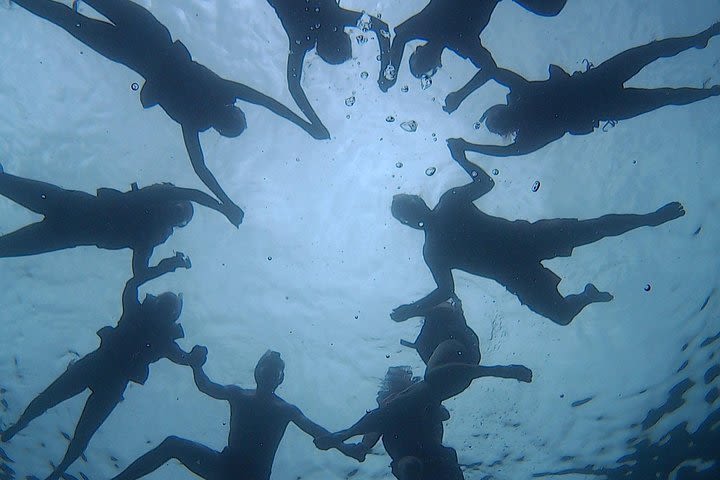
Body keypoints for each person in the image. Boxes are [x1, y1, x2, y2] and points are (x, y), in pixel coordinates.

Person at [11, 0, 324, 221]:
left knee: (68, 20)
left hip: (144, 42)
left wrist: (307, 124)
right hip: (142, 44)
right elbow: (267, 105)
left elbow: (265, 106)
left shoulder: (212, 103)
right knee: (69, 20)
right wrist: (225, 203)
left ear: (230, 115)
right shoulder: (208, 106)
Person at [390, 142, 686, 325]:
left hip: (525, 239)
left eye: (409, 207)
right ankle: (587, 296)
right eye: (407, 213)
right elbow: (446, 291)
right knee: (562, 315)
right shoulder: (434, 249)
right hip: (514, 272)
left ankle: (651, 217)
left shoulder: (450, 204)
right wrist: (412, 309)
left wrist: (462, 159)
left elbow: (485, 183)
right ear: (409, 221)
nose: (412, 212)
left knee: (594, 228)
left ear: (418, 202)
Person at [0, 253, 203, 480]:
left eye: (168, 309)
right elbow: (186, 358)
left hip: (101, 370)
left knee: (73, 424)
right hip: (107, 375)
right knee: (60, 410)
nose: (163, 312)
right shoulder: (154, 331)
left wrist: (196, 358)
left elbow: (133, 284)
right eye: (165, 307)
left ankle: (46, 460)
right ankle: (30, 442)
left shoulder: (152, 329)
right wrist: (196, 358)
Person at [451, 22, 720, 157]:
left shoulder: (528, 117)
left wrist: (468, 141)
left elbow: (494, 72)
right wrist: (467, 137)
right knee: (662, 88)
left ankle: (700, 43)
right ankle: (706, 77)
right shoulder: (530, 129)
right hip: (601, 96)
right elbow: (508, 151)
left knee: (657, 70)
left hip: (599, 90)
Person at [110, 350, 365, 480]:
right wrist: (196, 365)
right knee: (172, 444)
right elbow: (206, 386)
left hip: (247, 476)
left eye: (276, 369)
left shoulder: (284, 409)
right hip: (225, 466)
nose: (270, 372)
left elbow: (315, 430)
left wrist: (345, 447)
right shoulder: (238, 394)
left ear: (281, 378)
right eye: (267, 366)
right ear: (257, 370)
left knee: (172, 445)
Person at [316, 340, 532, 479]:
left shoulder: (421, 392)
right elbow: (375, 426)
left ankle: (349, 436)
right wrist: (361, 445)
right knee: (410, 464)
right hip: (409, 460)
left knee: (412, 457)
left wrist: (353, 440)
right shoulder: (388, 406)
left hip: (433, 457)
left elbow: (442, 413)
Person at [0, 166, 236, 275]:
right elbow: (140, 273)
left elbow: (139, 272)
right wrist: (223, 208)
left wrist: (167, 267)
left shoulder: (152, 232)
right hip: (70, 221)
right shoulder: (153, 217)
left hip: (69, 215)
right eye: (181, 209)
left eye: (181, 215)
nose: (178, 211)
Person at [380, 0, 567, 95]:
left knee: (551, 7)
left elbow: (400, 37)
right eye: (426, 65)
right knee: (551, 7)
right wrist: (461, 95)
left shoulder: (454, 39)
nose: (428, 60)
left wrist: (391, 73)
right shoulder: (460, 41)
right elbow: (490, 69)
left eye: (422, 62)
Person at [267, 0, 390, 138]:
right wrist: (315, 126)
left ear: (343, 34)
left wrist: (386, 70)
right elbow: (293, 86)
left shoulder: (335, 18)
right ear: (319, 50)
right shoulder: (301, 40)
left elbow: (382, 28)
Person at [400, 295, 481, 366]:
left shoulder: (448, 317)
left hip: (446, 362)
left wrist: (410, 311)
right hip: (461, 360)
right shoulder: (453, 317)